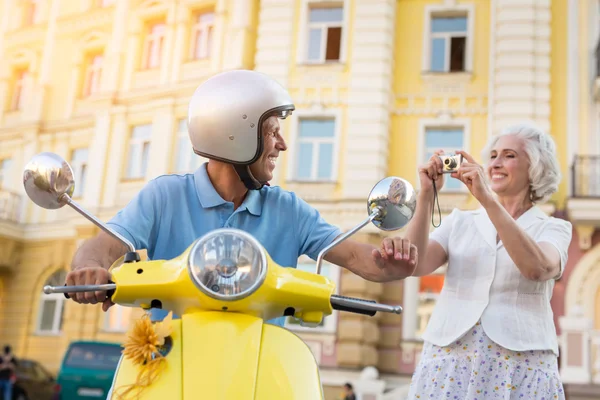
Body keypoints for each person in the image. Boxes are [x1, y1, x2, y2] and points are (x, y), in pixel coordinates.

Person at [65, 69, 418, 326]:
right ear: (237, 134)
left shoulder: (288, 209)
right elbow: (103, 245)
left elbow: (355, 255)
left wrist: (389, 263)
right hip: (168, 359)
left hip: (260, 365)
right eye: (272, 132)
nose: (282, 145)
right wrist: (87, 270)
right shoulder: (165, 196)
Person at [404, 122, 572, 399]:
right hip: (449, 361)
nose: (495, 163)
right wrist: (426, 195)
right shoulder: (460, 220)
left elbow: (537, 268)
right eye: (492, 155)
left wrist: (485, 198)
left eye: (509, 155)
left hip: (520, 367)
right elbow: (415, 264)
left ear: (536, 167)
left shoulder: (553, 227)